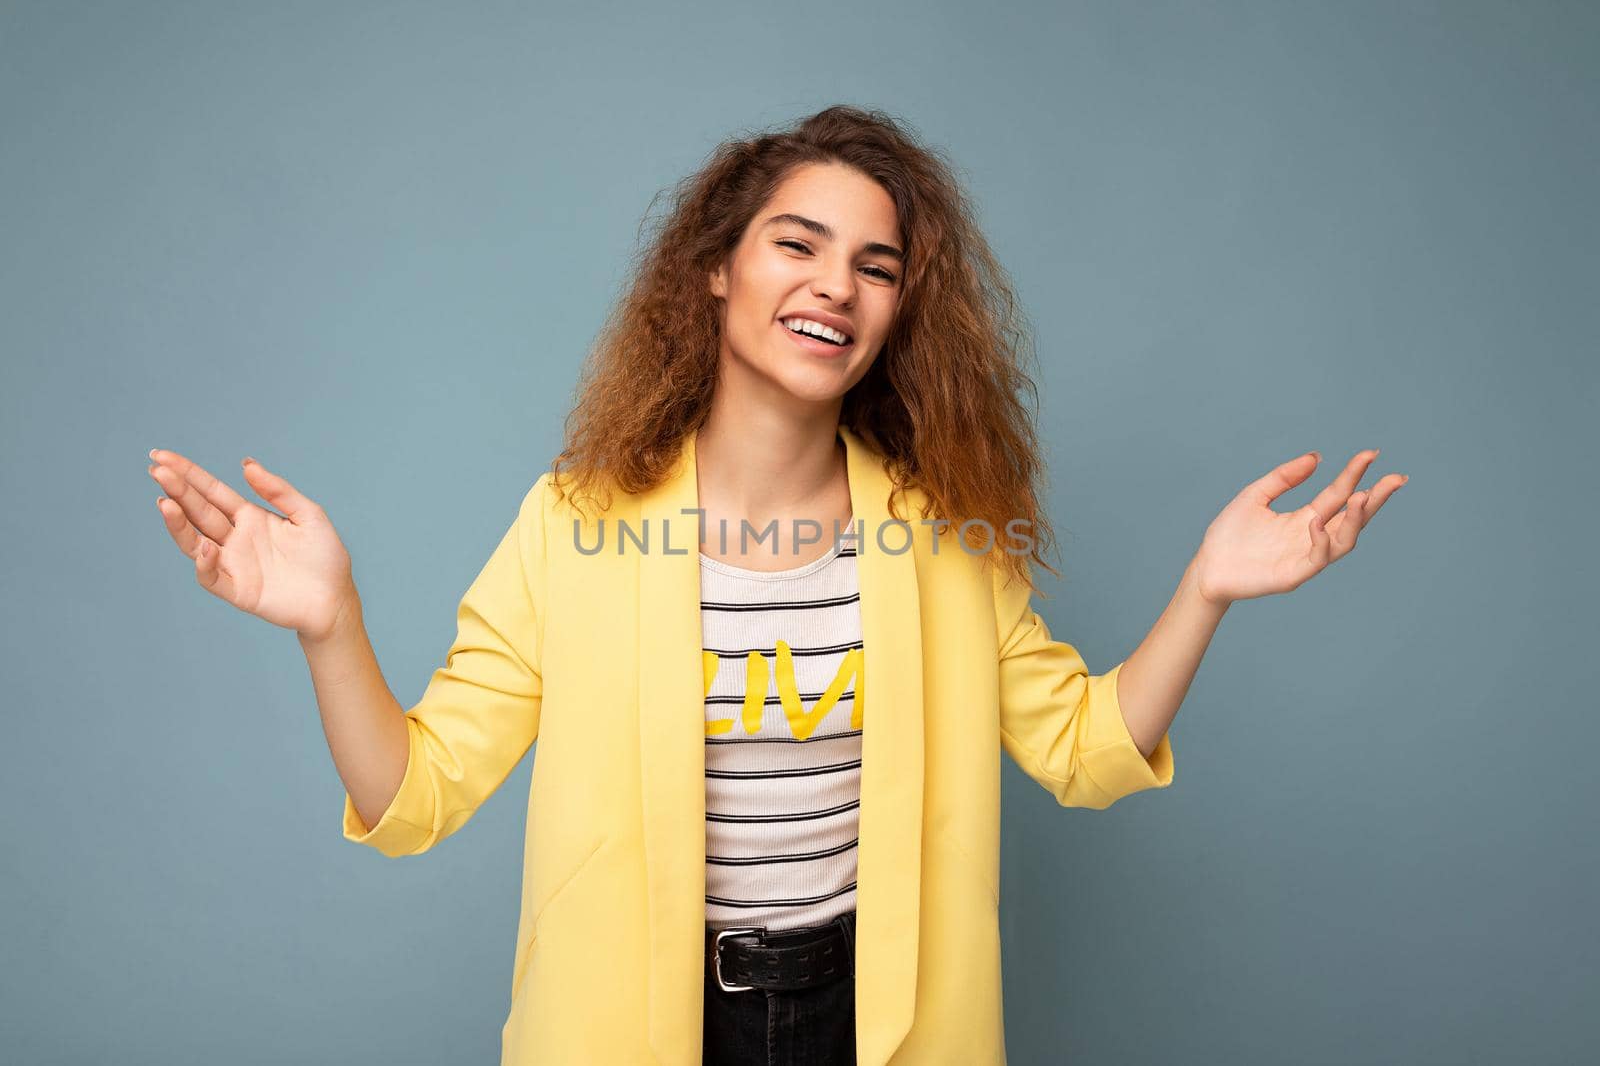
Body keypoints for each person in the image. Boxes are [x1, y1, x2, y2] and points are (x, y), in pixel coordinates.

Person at [148, 104, 1406, 1066]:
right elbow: (413, 793)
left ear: (898, 309)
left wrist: (1206, 588)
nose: (834, 285)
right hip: (639, 1025)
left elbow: (1082, 749)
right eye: (796, 243)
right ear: (716, 269)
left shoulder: (941, 534)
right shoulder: (574, 525)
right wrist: (330, 626)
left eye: (875, 264)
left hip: (884, 1018)